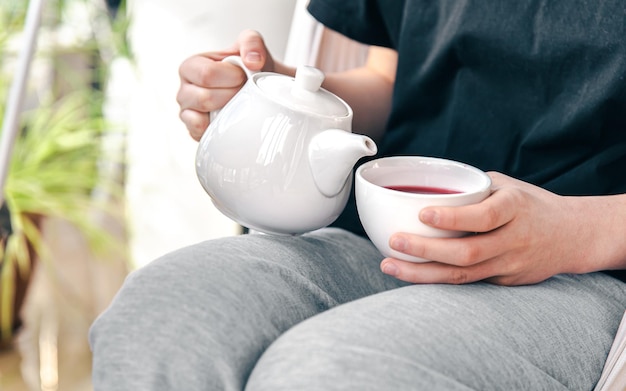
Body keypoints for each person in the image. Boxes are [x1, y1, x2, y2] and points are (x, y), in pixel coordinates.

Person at [89, 1, 626, 390]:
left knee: (326, 370)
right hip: (384, 235)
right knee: (162, 311)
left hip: (584, 271)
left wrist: (577, 231)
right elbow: (395, 78)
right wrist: (287, 96)